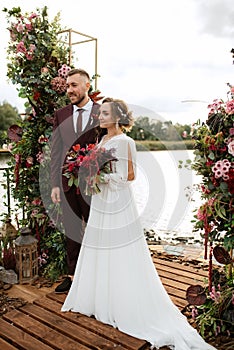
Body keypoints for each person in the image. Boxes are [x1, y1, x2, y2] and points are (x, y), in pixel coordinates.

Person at [61, 97, 217, 349]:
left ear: (118, 117)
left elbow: (129, 176)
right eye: (100, 113)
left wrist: (103, 175)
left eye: (104, 113)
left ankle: (123, 301)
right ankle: (102, 298)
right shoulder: (101, 140)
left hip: (117, 200)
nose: (100, 117)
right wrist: (91, 174)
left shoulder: (126, 142)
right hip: (101, 201)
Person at [50, 68, 104, 293]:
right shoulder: (61, 114)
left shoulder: (103, 112)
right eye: (68, 85)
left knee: (97, 228)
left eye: (74, 85)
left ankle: (99, 274)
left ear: (87, 86)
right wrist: (55, 183)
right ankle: (72, 276)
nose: (69, 90)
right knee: (71, 229)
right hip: (66, 182)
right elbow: (56, 151)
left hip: (94, 183)